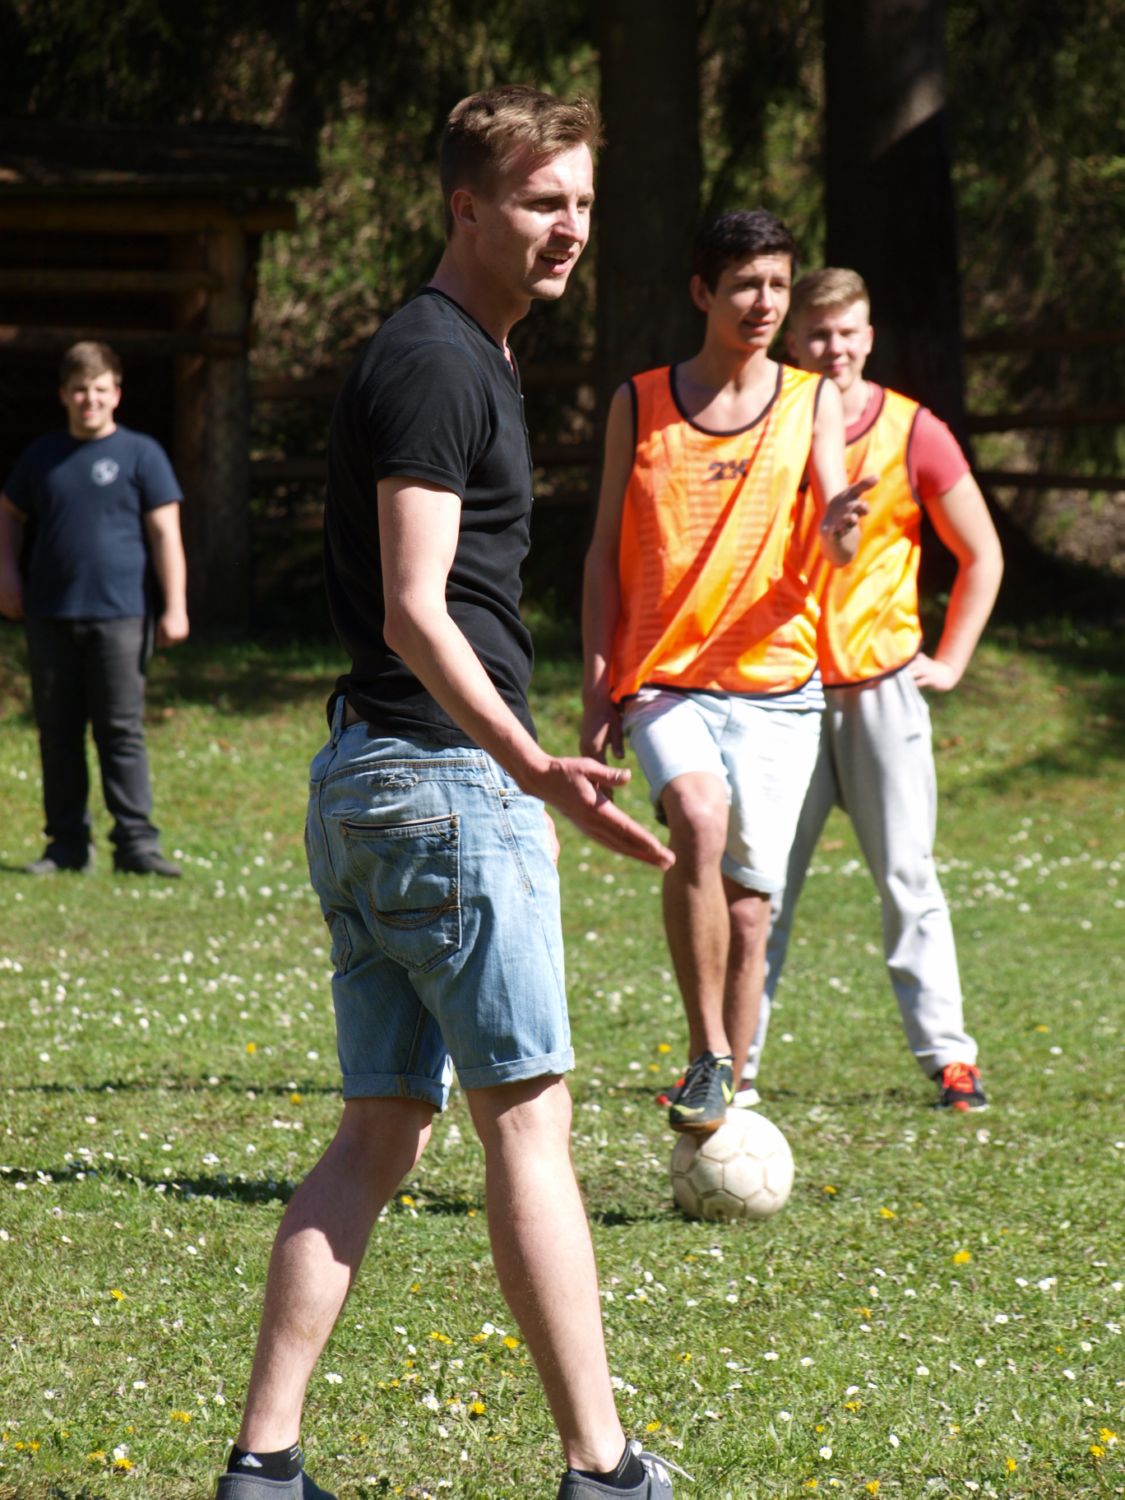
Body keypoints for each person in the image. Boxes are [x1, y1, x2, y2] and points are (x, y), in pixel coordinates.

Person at [215, 86, 682, 1500]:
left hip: (377, 780)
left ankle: (264, 1463)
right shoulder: (435, 362)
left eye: (583, 202)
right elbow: (417, 606)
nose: (570, 228)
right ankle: (602, 1464)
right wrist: (527, 762)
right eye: (543, 201)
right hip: (440, 783)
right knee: (527, 1126)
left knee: (379, 1130)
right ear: (465, 206)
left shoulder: (468, 352)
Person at [581, 210, 872, 1136]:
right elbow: (602, 554)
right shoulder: (639, 401)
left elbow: (833, 530)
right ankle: (707, 1050)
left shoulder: (810, 399)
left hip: (778, 684)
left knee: (750, 915)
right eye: (745, 283)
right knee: (698, 819)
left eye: (777, 284)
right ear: (703, 292)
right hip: (665, 674)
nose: (764, 302)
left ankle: (729, 1097)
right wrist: (596, 688)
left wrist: (839, 531)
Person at [743, 266, 1004, 1111]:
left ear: (868, 335)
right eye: (818, 334)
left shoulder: (913, 430)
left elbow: (981, 555)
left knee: (907, 879)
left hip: (880, 689)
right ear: (792, 340)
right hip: (782, 686)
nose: (834, 348)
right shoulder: (764, 420)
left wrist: (950, 661)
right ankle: (728, 1063)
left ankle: (949, 1060)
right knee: (760, 887)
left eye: (847, 332)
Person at [0, 340, 188, 877]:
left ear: (116, 394)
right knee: (57, 733)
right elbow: (8, 513)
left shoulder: (141, 454)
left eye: (100, 389)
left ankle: (136, 846)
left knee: (120, 731)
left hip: (122, 614)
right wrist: (7, 573)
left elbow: (165, 534)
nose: (90, 399)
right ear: (64, 394)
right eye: (80, 390)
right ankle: (66, 847)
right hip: (50, 613)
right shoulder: (42, 456)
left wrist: (175, 606)